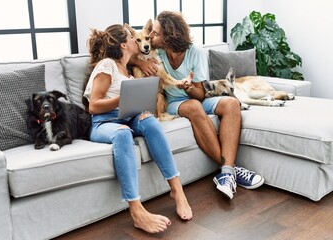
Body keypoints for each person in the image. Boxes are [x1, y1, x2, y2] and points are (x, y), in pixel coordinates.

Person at [130, 11, 264, 200]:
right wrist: (140, 63)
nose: (151, 36)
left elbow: (200, 95)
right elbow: (126, 54)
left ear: (169, 37)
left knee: (232, 104)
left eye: (156, 34)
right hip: (173, 103)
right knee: (193, 107)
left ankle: (226, 173)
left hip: (194, 95)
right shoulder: (154, 50)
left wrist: (189, 87)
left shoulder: (196, 53)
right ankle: (230, 170)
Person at [82, 24, 193, 234]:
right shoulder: (107, 66)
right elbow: (93, 106)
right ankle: (137, 211)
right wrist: (121, 98)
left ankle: (177, 191)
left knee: (150, 121)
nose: (137, 40)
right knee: (123, 134)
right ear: (124, 44)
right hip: (103, 123)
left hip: (127, 117)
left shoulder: (128, 69)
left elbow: (131, 102)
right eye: (132, 38)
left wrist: (142, 109)